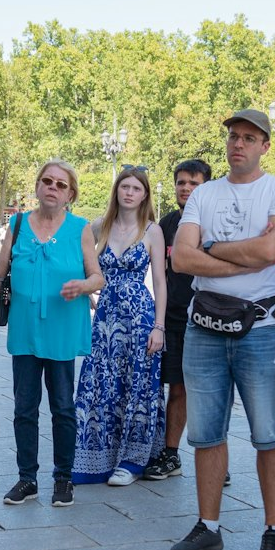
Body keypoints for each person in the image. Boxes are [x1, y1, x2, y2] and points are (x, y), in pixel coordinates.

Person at [168, 112, 275, 550]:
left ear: (265, 145)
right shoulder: (204, 193)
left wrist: (210, 250)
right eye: (232, 136)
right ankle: (209, 526)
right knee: (205, 433)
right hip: (204, 327)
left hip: (261, 329)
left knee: (268, 432)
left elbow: (270, 251)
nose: (237, 144)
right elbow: (181, 259)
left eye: (248, 138)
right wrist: (243, 258)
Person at [0, 159, 104, 508]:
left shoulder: (80, 228)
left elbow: (98, 277)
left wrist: (82, 286)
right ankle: (27, 479)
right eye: (46, 181)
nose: (52, 187)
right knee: (24, 408)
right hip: (25, 330)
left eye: (60, 184)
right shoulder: (18, 224)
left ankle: (63, 477)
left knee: (63, 407)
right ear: (37, 186)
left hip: (62, 330)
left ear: (70, 194)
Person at [72, 166, 166, 485]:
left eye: (135, 188)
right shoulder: (99, 226)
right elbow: (76, 259)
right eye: (124, 186)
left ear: (144, 195)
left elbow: (160, 282)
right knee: (102, 382)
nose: (129, 192)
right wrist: (85, 292)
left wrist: (160, 327)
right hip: (105, 319)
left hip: (140, 318)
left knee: (136, 383)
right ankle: (97, 456)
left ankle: (132, 461)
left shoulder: (152, 230)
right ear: (116, 191)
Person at [143, 158, 210, 481]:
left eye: (193, 183)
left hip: (208, 317)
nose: (186, 188)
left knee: (209, 390)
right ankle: (170, 453)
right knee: (175, 388)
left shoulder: (215, 223)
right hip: (171, 317)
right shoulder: (166, 225)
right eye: (181, 182)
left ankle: (214, 455)